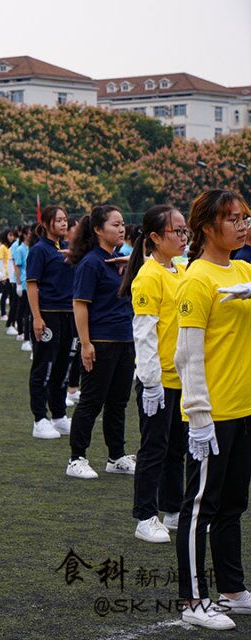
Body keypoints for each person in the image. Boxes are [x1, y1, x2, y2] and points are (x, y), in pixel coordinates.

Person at [173, 189, 251, 630]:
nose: (242, 226)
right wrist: (199, 416)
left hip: (243, 407)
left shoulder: (243, 270)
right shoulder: (197, 279)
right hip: (214, 413)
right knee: (200, 507)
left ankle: (232, 590)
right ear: (206, 227)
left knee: (233, 504)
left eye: (245, 218)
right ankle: (192, 599)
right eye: (233, 218)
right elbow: (188, 354)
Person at [119, 205, 189, 543]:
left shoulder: (180, 269)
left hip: (181, 377)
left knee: (177, 447)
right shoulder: (149, 276)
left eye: (185, 230)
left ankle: (173, 509)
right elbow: (144, 333)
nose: (184, 237)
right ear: (155, 238)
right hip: (157, 380)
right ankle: (146, 516)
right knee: (154, 448)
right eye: (177, 231)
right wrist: (150, 383)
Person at [66, 205, 137, 479]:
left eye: (122, 224)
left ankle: (116, 456)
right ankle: (76, 458)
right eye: (115, 225)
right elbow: (80, 304)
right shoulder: (91, 262)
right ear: (98, 229)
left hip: (124, 339)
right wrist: (86, 344)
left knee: (118, 402)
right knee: (91, 402)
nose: (121, 229)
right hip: (101, 341)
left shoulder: (119, 259)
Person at [26, 207, 75, 440]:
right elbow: (32, 284)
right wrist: (37, 317)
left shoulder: (66, 248)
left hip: (68, 314)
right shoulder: (39, 250)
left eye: (65, 220)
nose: (64, 224)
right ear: (46, 224)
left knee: (63, 367)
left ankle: (58, 415)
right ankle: (39, 418)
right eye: (59, 220)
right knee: (44, 367)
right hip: (48, 314)